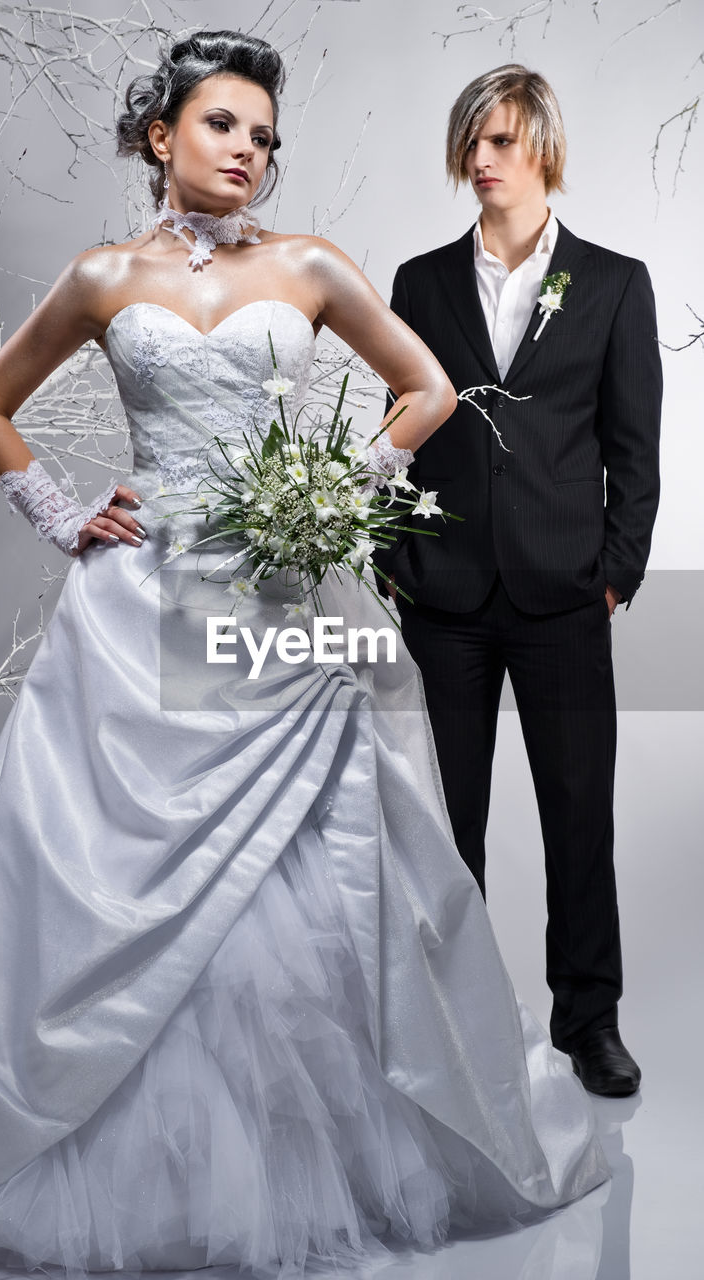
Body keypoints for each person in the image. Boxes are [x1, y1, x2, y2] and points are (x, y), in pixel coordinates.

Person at [0, 34, 607, 1276]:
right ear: (162, 135)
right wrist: (60, 514)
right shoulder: (101, 277)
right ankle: (123, 1155)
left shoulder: (310, 263)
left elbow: (423, 391)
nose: (248, 152)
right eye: (223, 125)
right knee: (119, 863)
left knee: (323, 868)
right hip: (142, 606)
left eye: (263, 136)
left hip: (279, 598)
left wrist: (334, 489)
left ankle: (325, 1140)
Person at [378, 65, 661, 1099]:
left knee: (578, 815)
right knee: (443, 823)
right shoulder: (419, 283)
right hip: (443, 598)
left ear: (542, 146)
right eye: (472, 142)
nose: (482, 160)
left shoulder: (614, 282)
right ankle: (453, 1021)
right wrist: (390, 559)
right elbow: (395, 437)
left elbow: (635, 451)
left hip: (562, 598)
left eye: (501, 140)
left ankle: (589, 1021)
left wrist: (615, 576)